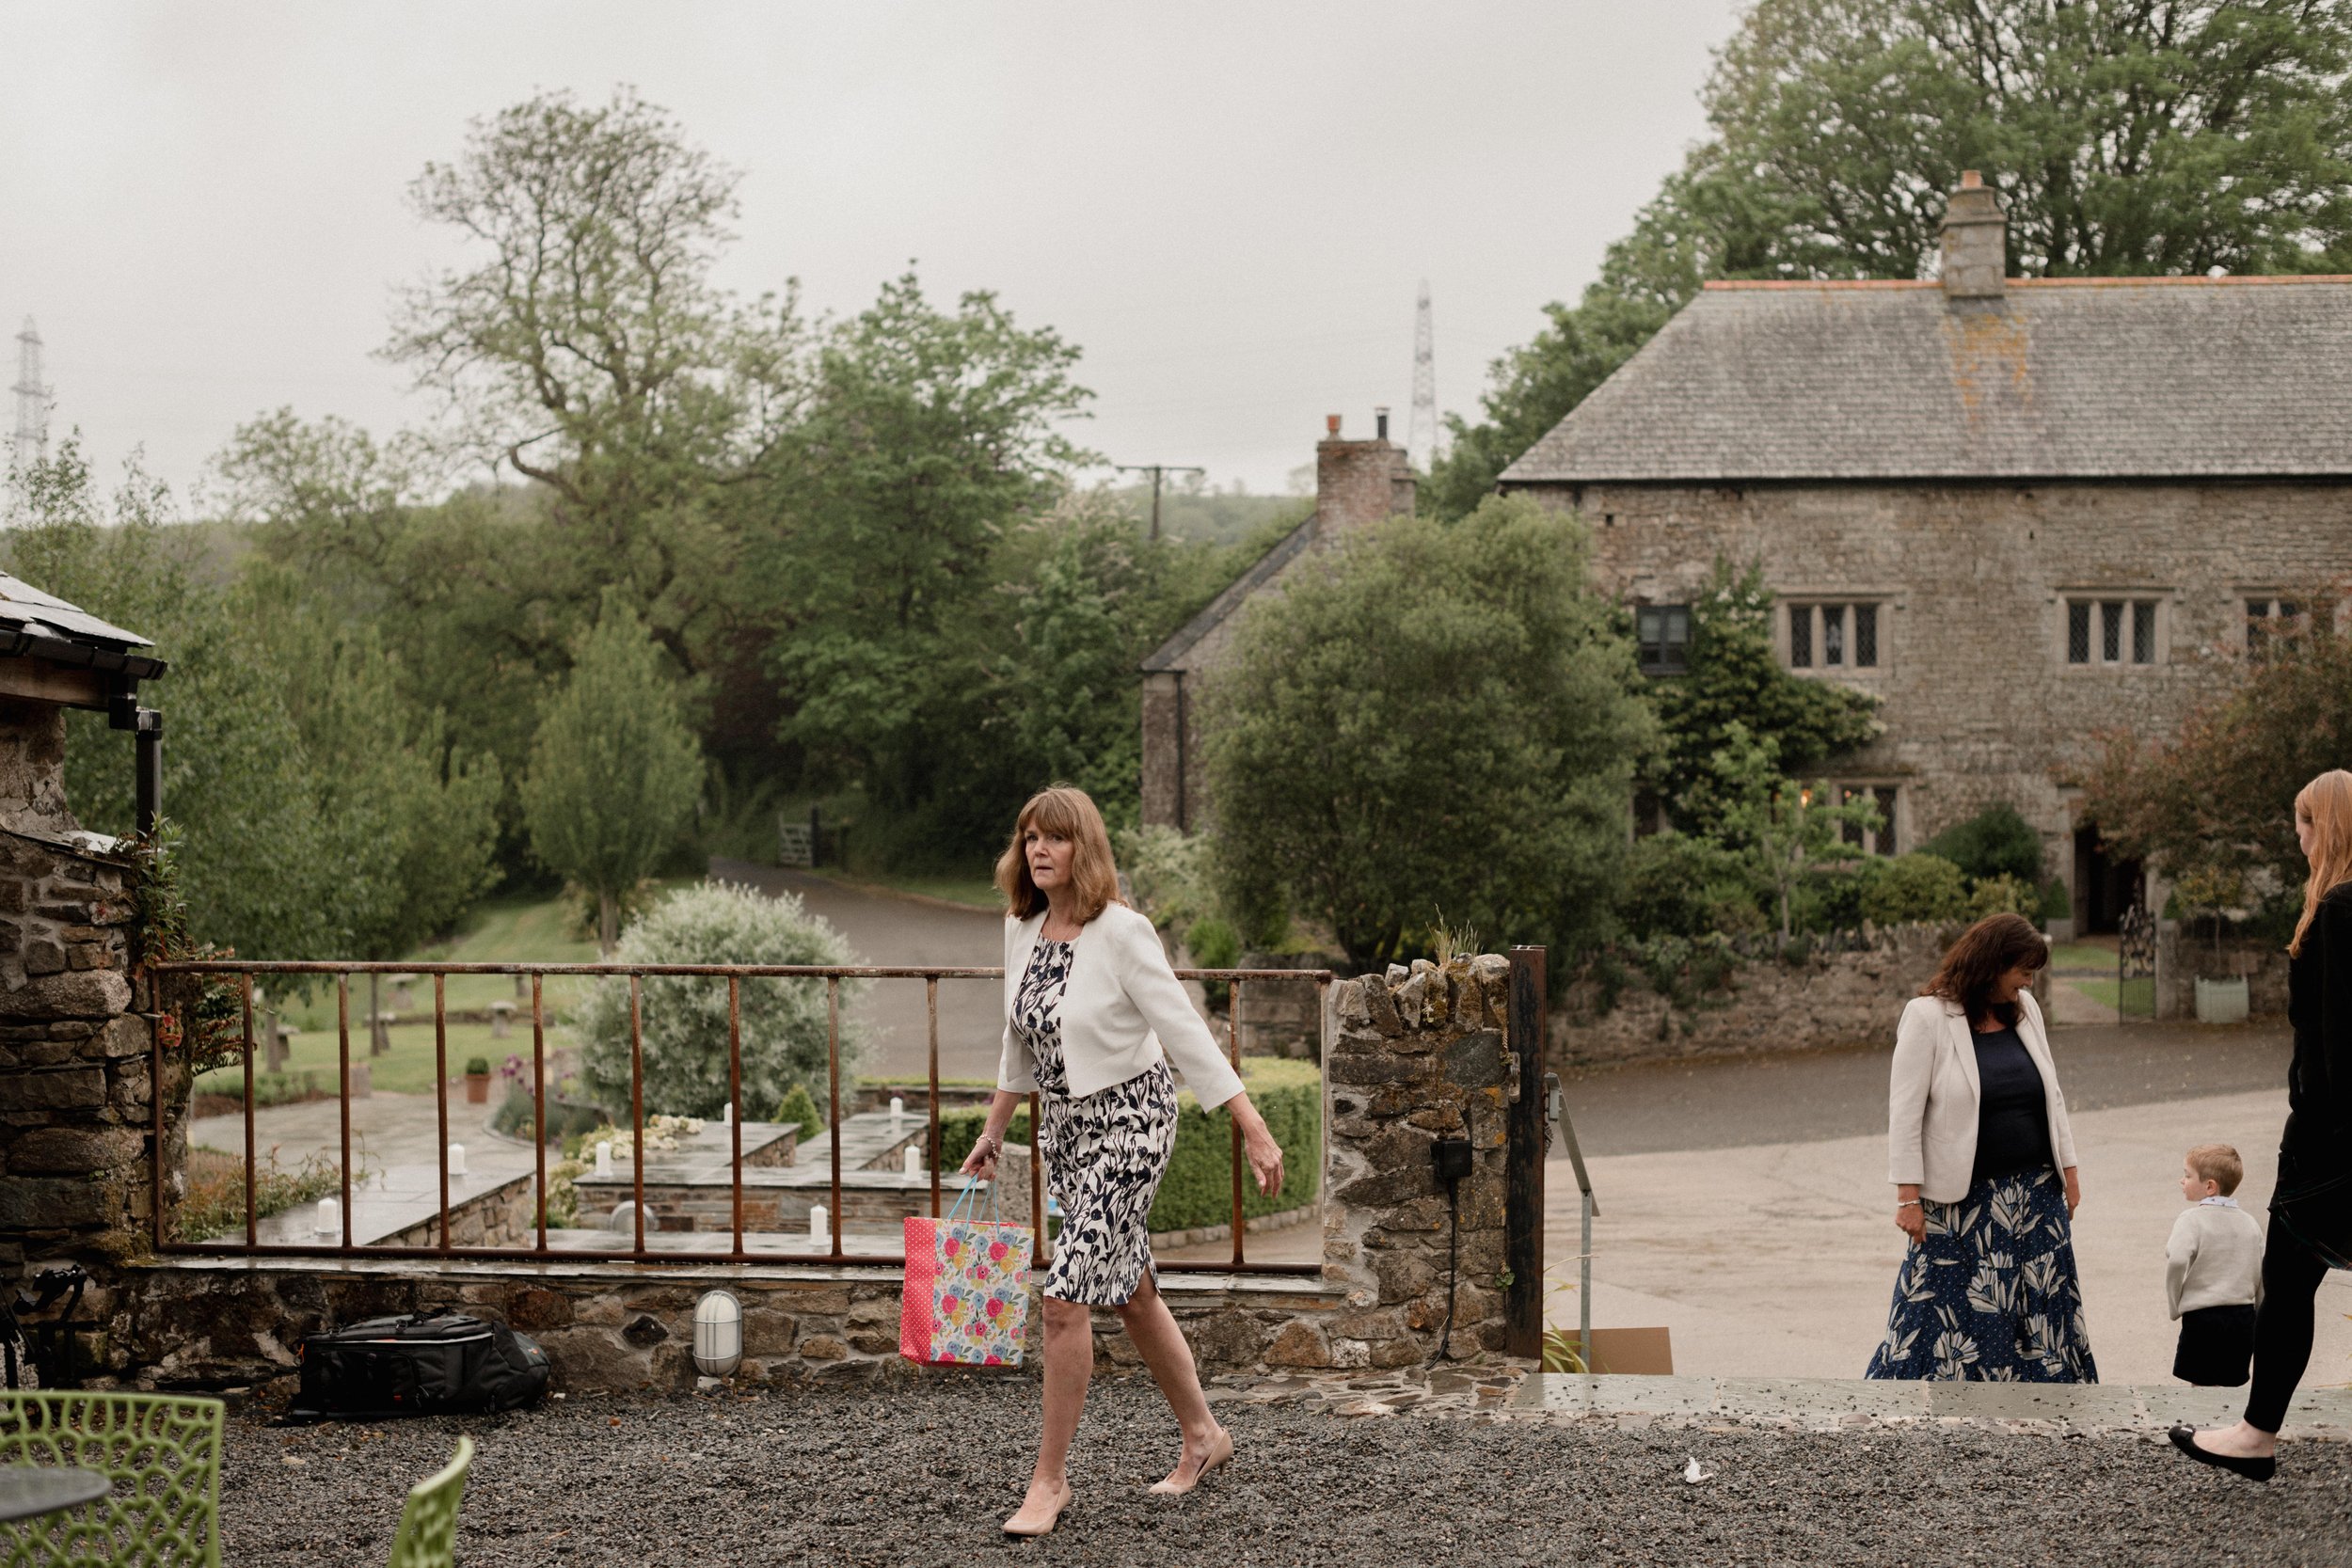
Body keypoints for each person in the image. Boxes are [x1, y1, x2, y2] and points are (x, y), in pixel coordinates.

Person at [960, 784, 1284, 1537]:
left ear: (1085, 848)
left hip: (1133, 1121)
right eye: (1029, 836)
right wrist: (993, 1129)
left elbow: (1186, 1031)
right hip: (1067, 1132)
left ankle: (1048, 1482)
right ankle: (1205, 1436)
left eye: (1055, 838)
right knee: (1132, 1292)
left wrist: (1253, 1125)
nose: (1039, 849)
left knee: (1065, 1295)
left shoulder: (1124, 932)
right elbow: (1020, 1044)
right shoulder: (1024, 929)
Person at [2173, 769, 2352, 1482]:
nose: (2298, 837)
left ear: (2329, 826)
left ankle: (2256, 1435)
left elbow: (2340, 1045)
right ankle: (2256, 1431)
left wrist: (2322, 1137)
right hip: (2334, 1140)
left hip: (2330, 1145)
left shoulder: (2340, 907)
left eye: (2304, 823)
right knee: (2290, 1279)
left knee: (2287, 1277)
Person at [1865, 911, 2097, 1382]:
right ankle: (1925, 1407)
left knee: (2041, 1308)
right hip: (1961, 1203)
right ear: (1993, 964)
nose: (2029, 981)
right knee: (1943, 1311)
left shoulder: (2026, 1010)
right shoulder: (1927, 1017)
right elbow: (1904, 1115)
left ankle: (2047, 1405)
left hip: (2036, 1196)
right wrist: (1907, 1198)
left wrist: (2069, 1172)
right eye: (2023, 970)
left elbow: (2051, 1097)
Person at [2165, 1142, 2263, 1386]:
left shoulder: (2191, 1220)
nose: (2182, 1181)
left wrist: (2175, 1304)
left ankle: (2202, 1425)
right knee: (2230, 1386)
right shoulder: (2250, 1223)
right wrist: (2259, 1311)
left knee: (2200, 1386)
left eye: (2187, 1176)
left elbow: (2177, 1260)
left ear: (2209, 1186)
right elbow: (2262, 1271)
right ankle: (2229, 1426)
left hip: (2203, 1317)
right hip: (2242, 1317)